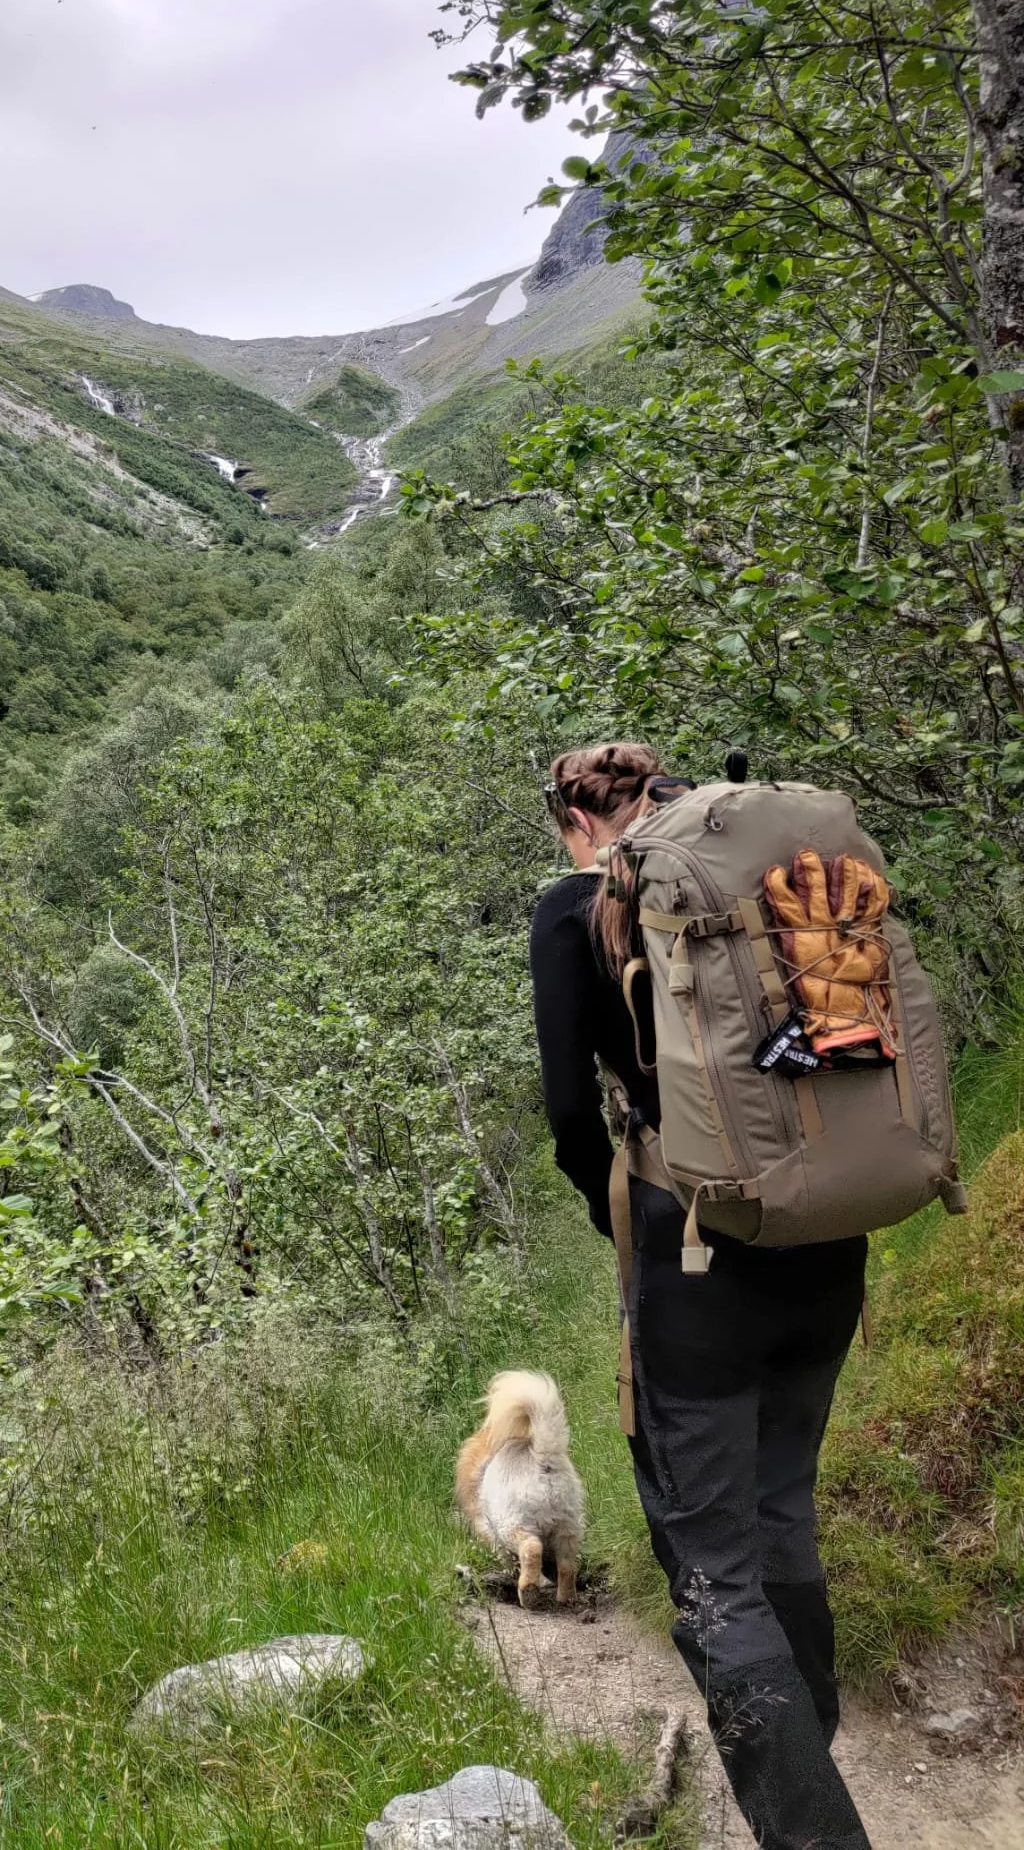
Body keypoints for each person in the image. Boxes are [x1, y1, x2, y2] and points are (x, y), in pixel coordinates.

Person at [529, 742, 872, 1850]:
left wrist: (616, 1213)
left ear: (580, 821)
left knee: (713, 1571)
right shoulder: (765, 882)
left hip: (693, 1262)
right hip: (828, 1234)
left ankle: (811, 1829)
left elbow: (574, 1118)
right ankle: (809, 1744)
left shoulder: (576, 908)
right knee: (782, 1510)